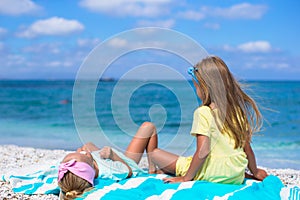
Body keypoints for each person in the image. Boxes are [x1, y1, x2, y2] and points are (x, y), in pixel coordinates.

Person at [147, 55, 268, 184]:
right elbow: (247, 149)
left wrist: (185, 178)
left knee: (154, 153)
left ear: (205, 88)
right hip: (234, 174)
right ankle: (162, 170)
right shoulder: (237, 112)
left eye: (196, 86)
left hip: (212, 173)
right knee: (190, 159)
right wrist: (255, 172)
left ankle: (152, 170)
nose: (196, 90)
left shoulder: (203, 112)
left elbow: (203, 152)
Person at [57, 122, 159, 200]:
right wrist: (113, 155)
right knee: (149, 127)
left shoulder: (85, 166)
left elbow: (87, 147)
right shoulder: (110, 170)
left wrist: (85, 150)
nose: (79, 151)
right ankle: (152, 169)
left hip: (102, 160)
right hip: (126, 162)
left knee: (87, 145)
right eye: (79, 154)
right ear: (89, 161)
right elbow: (128, 171)